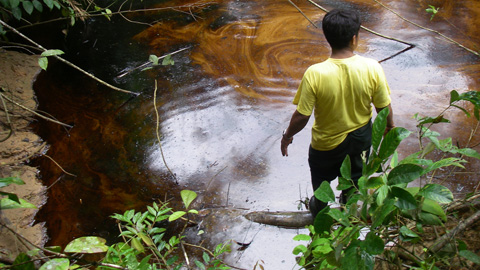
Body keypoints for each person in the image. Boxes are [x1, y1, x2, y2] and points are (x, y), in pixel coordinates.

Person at [280, 9, 395, 217]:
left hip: (325, 146)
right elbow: (383, 107)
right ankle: (348, 212)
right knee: (354, 181)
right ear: (354, 38)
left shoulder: (315, 73)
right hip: (360, 140)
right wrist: (389, 127)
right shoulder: (372, 67)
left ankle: (320, 214)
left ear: (327, 38)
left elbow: (302, 116)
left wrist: (287, 136)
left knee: (321, 186)